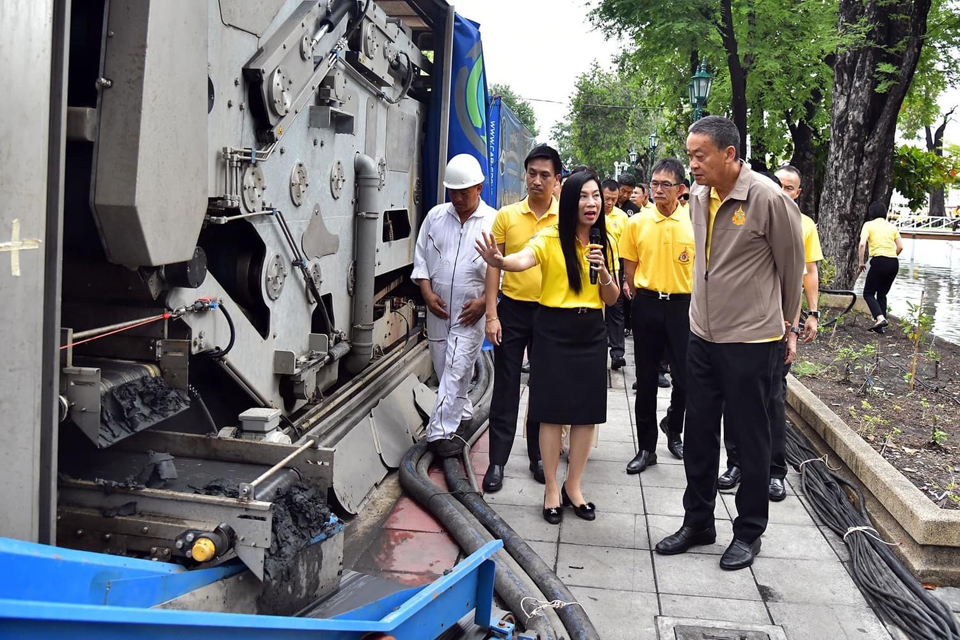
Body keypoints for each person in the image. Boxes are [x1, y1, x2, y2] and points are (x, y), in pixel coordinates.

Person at [655, 116, 803, 571]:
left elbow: (792, 268)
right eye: (690, 155)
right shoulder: (698, 197)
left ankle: (749, 531)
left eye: (700, 155)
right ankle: (698, 521)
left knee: (750, 438)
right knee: (699, 434)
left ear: (729, 154)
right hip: (702, 335)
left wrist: (790, 327)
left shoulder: (768, 199)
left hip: (751, 339)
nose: (693, 164)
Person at [476, 170, 621, 524]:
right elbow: (522, 259)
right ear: (570, 200)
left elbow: (612, 297)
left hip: (591, 332)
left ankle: (574, 486)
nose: (592, 203)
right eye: (584, 196)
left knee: (586, 414)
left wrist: (603, 272)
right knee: (551, 412)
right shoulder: (549, 238)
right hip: (554, 331)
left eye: (596, 196)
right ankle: (552, 488)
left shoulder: (604, 241)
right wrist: (500, 262)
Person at [719, 165, 824, 500]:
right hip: (737, 327)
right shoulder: (740, 215)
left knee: (773, 400)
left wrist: (803, 321)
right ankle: (736, 462)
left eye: (789, 187)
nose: (782, 190)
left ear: (798, 193)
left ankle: (775, 471)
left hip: (776, 327)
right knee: (733, 397)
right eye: (777, 184)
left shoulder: (802, 225)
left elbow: (802, 275)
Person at [482, 146, 562, 492]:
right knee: (505, 386)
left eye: (545, 175)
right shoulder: (507, 216)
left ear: (557, 180)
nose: (537, 180)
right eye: (532, 173)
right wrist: (492, 314)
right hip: (512, 311)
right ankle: (497, 461)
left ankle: (538, 457)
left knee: (544, 388)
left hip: (551, 312)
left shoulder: (566, 218)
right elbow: (493, 267)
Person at [412, 154, 497, 457]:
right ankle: (462, 412)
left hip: (470, 311)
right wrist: (426, 292)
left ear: (479, 188)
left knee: (456, 367)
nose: (458, 198)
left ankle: (440, 433)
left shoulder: (494, 222)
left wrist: (485, 302)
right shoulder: (435, 217)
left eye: (464, 192)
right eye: (453, 192)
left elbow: (501, 270)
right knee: (443, 366)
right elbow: (421, 257)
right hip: (438, 310)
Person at [620, 158, 694, 468]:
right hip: (647, 303)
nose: (659, 189)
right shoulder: (637, 222)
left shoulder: (694, 222)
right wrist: (640, 296)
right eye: (655, 184)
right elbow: (630, 269)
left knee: (686, 379)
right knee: (646, 379)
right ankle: (646, 447)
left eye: (666, 184)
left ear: (681, 189)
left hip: (683, 306)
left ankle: (673, 427)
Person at [858, 202, 904, 333]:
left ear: (871, 213)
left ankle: (879, 318)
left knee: (868, 293)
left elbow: (862, 244)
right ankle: (880, 327)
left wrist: (861, 263)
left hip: (879, 260)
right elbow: (900, 247)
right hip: (894, 262)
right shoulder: (892, 227)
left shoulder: (868, 225)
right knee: (882, 294)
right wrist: (890, 257)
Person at [602, 179, 630, 369]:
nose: (610, 202)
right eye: (607, 198)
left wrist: (625, 277)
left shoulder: (622, 217)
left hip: (616, 266)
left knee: (616, 309)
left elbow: (627, 249)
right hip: (594, 263)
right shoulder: (592, 213)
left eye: (613, 199)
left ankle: (617, 353)